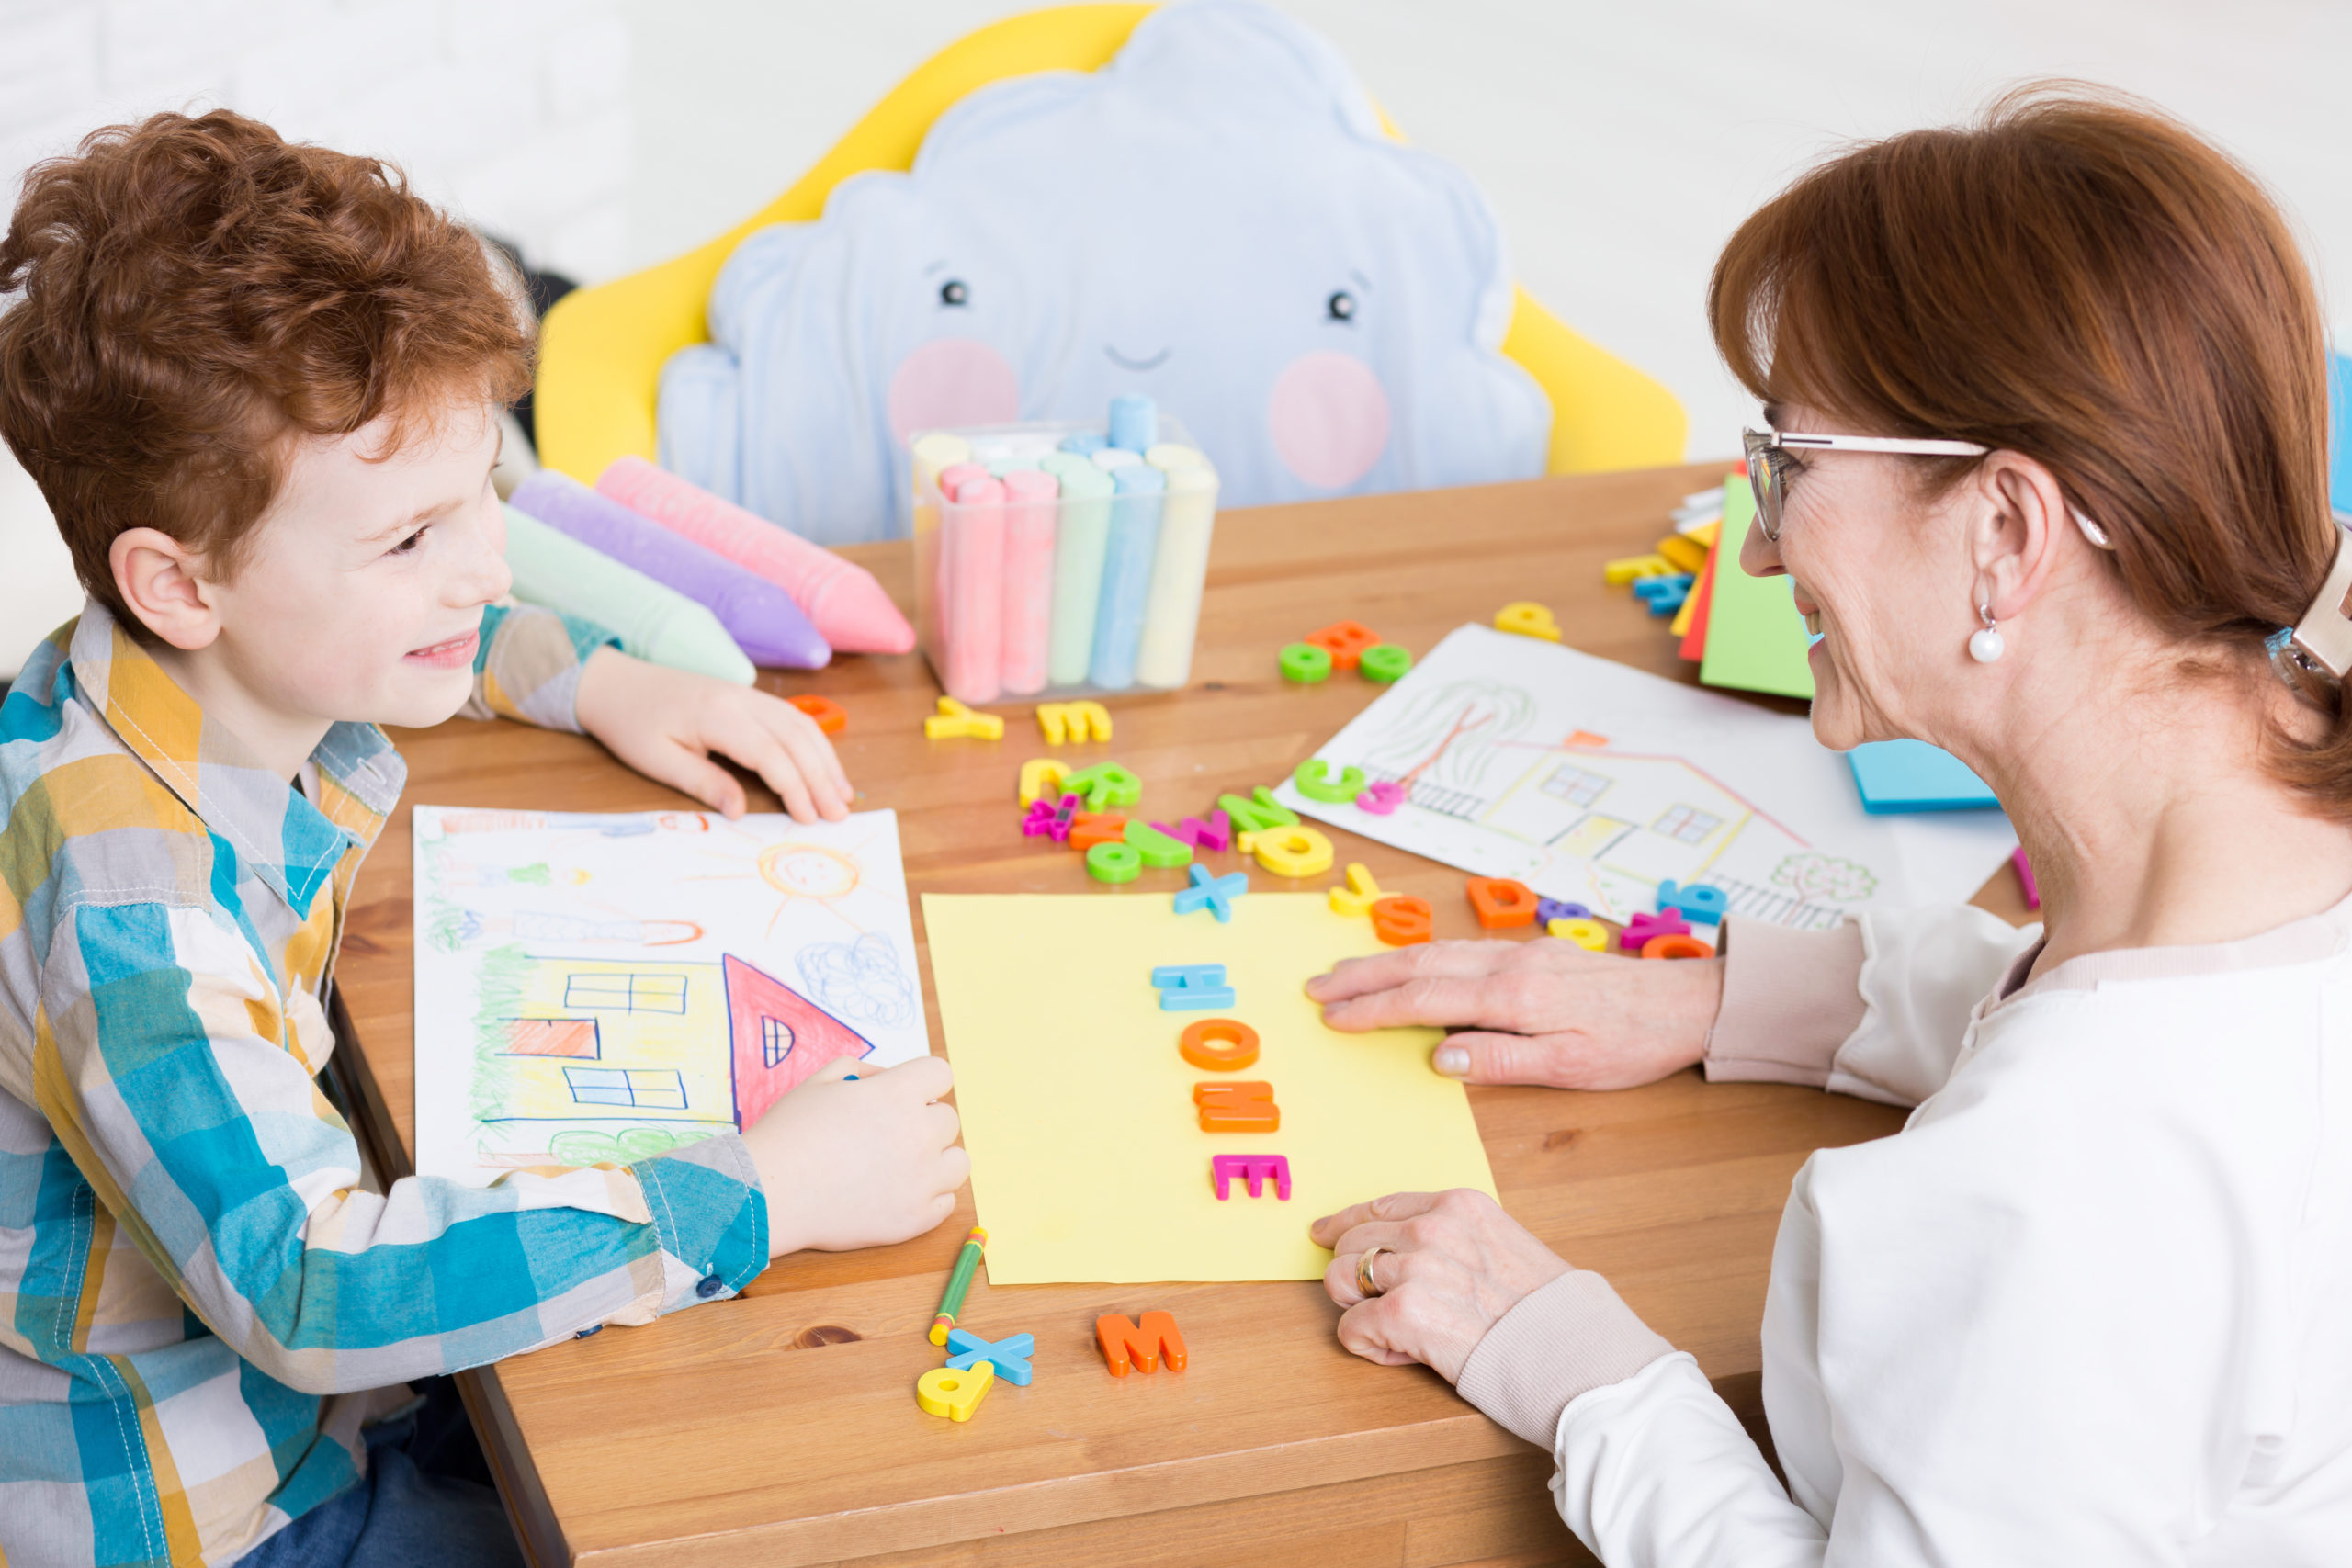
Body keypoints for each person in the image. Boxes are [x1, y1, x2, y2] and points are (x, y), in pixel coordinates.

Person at [1301, 86, 2352, 1562]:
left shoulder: (2063, 1184)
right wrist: (1741, 992)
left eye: (1788, 462)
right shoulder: (2266, 845)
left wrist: (1584, 1369)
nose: (1759, 538)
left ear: (2005, 532)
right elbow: (2140, 1016)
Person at [0, 112, 968, 1568]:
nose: (487, 565)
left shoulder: (169, 670)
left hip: (299, 1397)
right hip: (215, 1505)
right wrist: (768, 1191)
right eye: (413, 540)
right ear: (178, 584)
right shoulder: (130, 909)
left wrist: (597, 674)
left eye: (486, 499)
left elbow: (416, 613)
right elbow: (311, 1291)